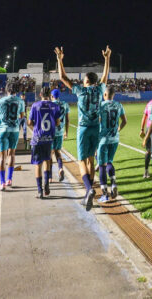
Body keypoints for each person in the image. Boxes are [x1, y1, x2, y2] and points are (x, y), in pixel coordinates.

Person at [56, 45, 111, 211]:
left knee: (81, 160)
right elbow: (105, 77)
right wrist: (107, 59)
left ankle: (89, 190)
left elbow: (62, 77)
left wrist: (60, 60)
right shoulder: (100, 89)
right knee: (90, 160)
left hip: (84, 128)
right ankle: (89, 192)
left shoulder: (80, 90)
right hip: (96, 128)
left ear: (86, 81)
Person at [28, 86, 61, 199]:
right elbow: (57, 123)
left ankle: (39, 191)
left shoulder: (35, 105)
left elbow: (29, 122)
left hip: (37, 138)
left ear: (40, 94)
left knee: (38, 165)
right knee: (47, 161)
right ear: (50, 95)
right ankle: (46, 185)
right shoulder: (55, 106)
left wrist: (36, 127)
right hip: (48, 138)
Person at [0, 86, 26, 190]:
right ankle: (9, 179)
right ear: (16, 91)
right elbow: (21, 116)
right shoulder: (20, 101)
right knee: (12, 154)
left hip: (3, 129)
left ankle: (2, 183)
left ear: (7, 90)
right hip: (14, 130)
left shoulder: (0, 101)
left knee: (2, 157)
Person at [97, 86, 126, 202]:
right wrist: (118, 129)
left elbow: (97, 121)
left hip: (103, 139)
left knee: (102, 165)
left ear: (105, 95)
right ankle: (113, 183)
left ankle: (105, 194)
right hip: (115, 139)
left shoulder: (101, 105)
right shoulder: (119, 105)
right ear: (114, 95)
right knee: (109, 162)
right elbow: (124, 121)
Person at [139, 92, 152, 179]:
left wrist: (142, 129)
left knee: (148, 151)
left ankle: (146, 171)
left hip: (148, 128)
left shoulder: (149, 103)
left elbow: (144, 117)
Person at [51, 88, 70, 181]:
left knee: (50, 154)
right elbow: (68, 119)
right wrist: (66, 132)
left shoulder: (50, 105)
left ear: (52, 96)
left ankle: (49, 176)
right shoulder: (65, 104)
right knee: (58, 152)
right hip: (60, 131)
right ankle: (60, 168)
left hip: (51, 132)